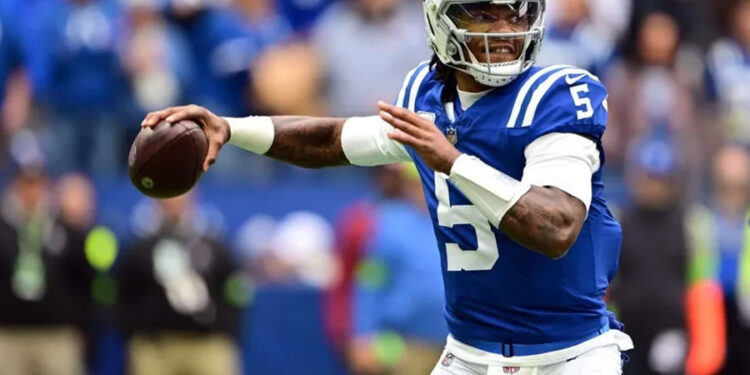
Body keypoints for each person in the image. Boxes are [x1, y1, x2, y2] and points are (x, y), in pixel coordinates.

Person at [142, 0, 634, 373]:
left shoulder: (557, 97)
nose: (505, 32)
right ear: (442, 19)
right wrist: (232, 127)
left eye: (515, 15)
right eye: (485, 15)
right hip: (469, 353)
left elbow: (557, 226)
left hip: (569, 357)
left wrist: (453, 161)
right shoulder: (427, 95)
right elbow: (330, 141)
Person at [115, 193, 245, 375]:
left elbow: (236, 288)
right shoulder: (141, 248)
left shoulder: (213, 244)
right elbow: (123, 291)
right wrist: (136, 331)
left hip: (207, 344)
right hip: (156, 345)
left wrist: (227, 329)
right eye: (169, 193)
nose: (174, 200)